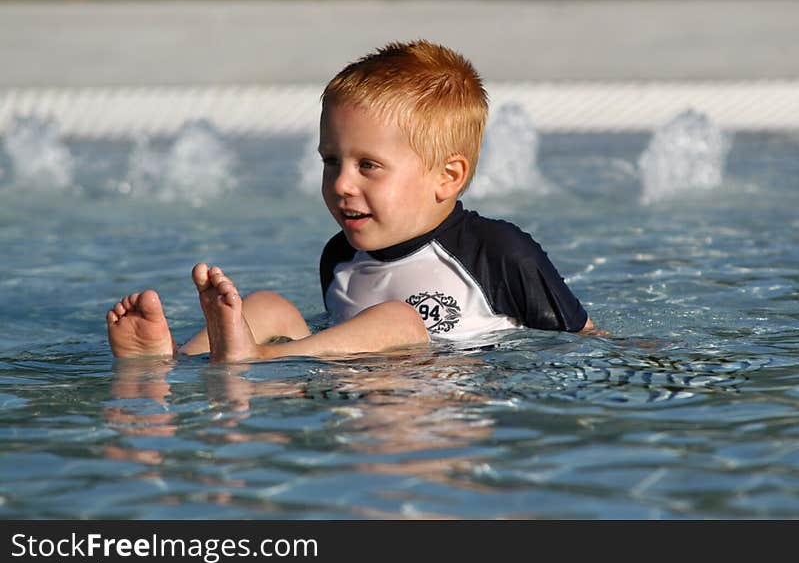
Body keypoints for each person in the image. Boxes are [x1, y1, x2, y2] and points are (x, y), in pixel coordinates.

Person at [106, 40, 600, 363]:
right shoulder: (340, 256)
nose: (341, 183)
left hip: (437, 409)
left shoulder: (499, 252)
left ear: (447, 177)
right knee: (269, 305)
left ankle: (250, 357)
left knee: (399, 318)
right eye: (331, 161)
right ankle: (172, 362)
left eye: (368, 166)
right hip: (347, 393)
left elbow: (586, 343)